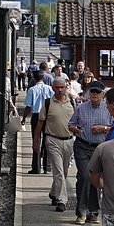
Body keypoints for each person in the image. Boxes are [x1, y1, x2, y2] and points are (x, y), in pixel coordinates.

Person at [68, 81, 113, 222]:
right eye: (92, 91)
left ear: (102, 94)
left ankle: (93, 212)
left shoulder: (108, 109)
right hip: (82, 145)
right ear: (89, 93)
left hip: (100, 147)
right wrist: (74, 129)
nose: (94, 94)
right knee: (84, 176)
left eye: (97, 92)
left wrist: (103, 129)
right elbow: (71, 124)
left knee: (96, 178)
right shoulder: (81, 108)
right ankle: (81, 211)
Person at [39, 77, 75, 211]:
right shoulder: (48, 103)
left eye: (62, 87)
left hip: (69, 140)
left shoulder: (72, 102)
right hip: (52, 140)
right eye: (57, 87)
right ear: (53, 88)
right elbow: (40, 122)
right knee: (58, 171)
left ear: (66, 87)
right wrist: (36, 141)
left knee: (64, 171)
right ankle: (62, 200)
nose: (60, 90)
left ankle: (54, 193)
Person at [22, 69, 53, 173]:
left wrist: (23, 118)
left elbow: (28, 106)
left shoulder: (32, 90)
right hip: (48, 116)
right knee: (47, 140)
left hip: (36, 116)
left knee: (36, 140)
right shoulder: (49, 89)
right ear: (43, 78)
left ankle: (36, 167)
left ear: (34, 79)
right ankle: (47, 167)